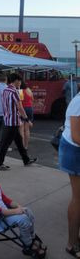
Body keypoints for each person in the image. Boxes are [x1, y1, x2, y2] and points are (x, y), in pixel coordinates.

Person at [0, 161, 46, 257]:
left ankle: (32, 236)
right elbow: (0, 211)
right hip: (0, 218)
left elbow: (6, 200)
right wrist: (16, 211)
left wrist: (18, 206)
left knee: (28, 211)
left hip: (6, 212)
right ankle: (28, 244)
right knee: (24, 220)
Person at [0, 73, 37, 170]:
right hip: (13, 121)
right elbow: (20, 107)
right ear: (16, 81)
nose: (21, 83)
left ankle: (26, 159)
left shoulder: (5, 90)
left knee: (18, 141)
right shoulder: (14, 91)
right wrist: (27, 119)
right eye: (20, 81)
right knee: (5, 144)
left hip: (7, 119)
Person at [59, 91, 80, 257]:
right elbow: (76, 136)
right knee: (78, 199)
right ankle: (72, 244)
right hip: (74, 152)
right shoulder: (78, 102)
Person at [20, 81, 34, 150]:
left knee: (21, 129)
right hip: (30, 109)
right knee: (27, 129)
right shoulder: (29, 90)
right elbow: (32, 99)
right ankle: (26, 146)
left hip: (22, 109)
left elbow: (19, 102)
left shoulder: (20, 91)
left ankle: (21, 146)